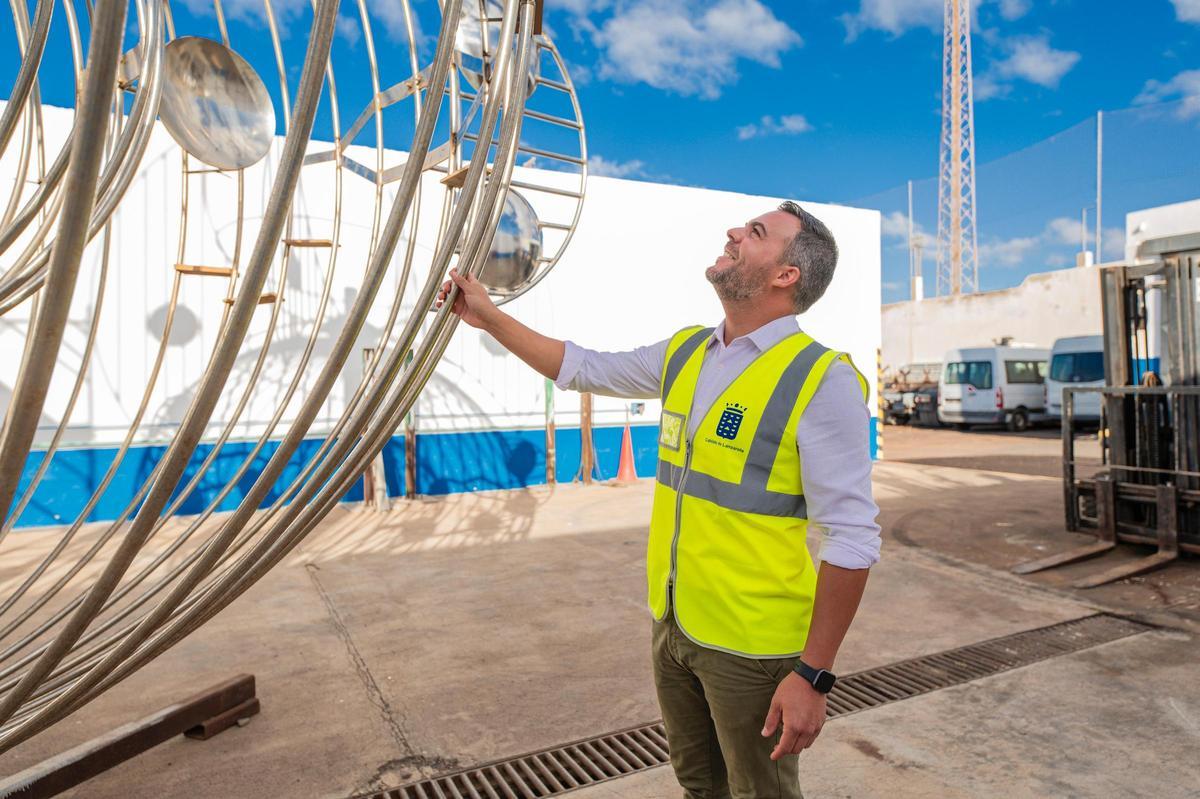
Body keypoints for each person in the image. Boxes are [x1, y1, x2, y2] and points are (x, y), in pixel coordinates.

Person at [436, 200, 881, 799]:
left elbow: (851, 536)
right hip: (674, 626)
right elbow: (584, 366)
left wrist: (814, 675)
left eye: (755, 233)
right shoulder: (688, 353)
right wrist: (489, 318)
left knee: (761, 793)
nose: (732, 233)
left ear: (786, 275)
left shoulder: (821, 380)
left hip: (752, 644)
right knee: (700, 784)